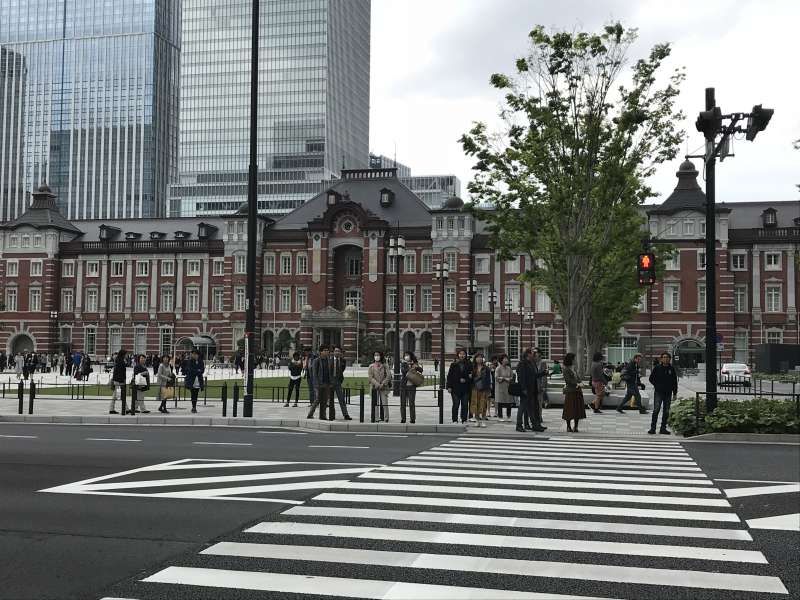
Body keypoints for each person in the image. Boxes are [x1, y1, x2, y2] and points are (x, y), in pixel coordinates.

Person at [648, 352, 678, 435]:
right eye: (664, 357)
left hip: (668, 393)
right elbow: (651, 378)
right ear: (661, 359)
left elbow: (674, 382)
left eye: (667, 357)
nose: (666, 359)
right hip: (658, 392)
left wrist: (675, 393)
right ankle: (653, 428)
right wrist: (657, 385)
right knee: (656, 410)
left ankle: (663, 428)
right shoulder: (657, 368)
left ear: (670, 359)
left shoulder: (671, 369)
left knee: (666, 411)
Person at [561, 352, 586, 432]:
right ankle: (568, 426)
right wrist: (577, 383)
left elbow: (577, 377)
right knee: (569, 409)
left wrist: (580, 382)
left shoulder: (573, 368)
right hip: (571, 391)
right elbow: (568, 380)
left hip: (577, 391)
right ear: (570, 359)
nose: (575, 360)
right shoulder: (565, 369)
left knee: (577, 410)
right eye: (574, 359)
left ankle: (576, 426)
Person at [308, 345, 333, 420]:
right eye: (324, 350)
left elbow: (330, 372)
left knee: (324, 400)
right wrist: (316, 384)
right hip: (319, 383)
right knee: (318, 399)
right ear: (320, 352)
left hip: (326, 383)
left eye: (327, 350)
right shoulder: (316, 361)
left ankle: (322, 416)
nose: (326, 352)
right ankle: (310, 414)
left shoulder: (329, 360)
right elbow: (314, 374)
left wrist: (330, 382)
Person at [446, 349, 472, 424]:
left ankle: (464, 419)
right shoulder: (453, 364)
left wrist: (466, 379)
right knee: (455, 404)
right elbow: (449, 376)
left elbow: (471, 376)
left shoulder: (469, 364)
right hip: (455, 388)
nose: (462, 355)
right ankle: (454, 419)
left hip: (465, 388)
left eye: (463, 354)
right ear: (458, 355)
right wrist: (449, 386)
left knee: (465, 405)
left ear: (466, 355)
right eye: (460, 354)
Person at [330, 345, 352, 420]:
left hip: (338, 382)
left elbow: (341, 371)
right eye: (335, 351)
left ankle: (345, 414)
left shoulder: (343, 361)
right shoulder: (329, 360)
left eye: (338, 351)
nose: (337, 352)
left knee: (341, 399)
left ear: (340, 352)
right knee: (331, 400)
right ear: (333, 352)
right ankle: (332, 415)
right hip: (330, 382)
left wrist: (339, 380)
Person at [400, 351, 423, 424]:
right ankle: (403, 418)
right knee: (403, 403)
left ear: (410, 356)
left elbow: (421, 370)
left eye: (407, 355)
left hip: (412, 385)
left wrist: (416, 366)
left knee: (411, 403)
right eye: (405, 355)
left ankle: (412, 419)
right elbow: (403, 371)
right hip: (403, 386)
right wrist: (411, 367)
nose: (406, 356)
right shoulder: (403, 364)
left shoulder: (415, 363)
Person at [368, 351, 391, 421]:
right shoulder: (371, 366)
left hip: (384, 387)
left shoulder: (385, 365)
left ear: (381, 356)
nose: (376, 356)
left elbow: (388, 376)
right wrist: (377, 384)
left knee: (385, 403)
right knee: (375, 403)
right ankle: (376, 417)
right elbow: (370, 377)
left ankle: (386, 417)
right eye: (375, 355)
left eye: (378, 355)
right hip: (375, 387)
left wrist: (383, 384)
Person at [470, 353, 491, 427]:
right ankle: (477, 420)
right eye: (477, 357)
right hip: (475, 388)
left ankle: (483, 420)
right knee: (475, 404)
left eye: (481, 357)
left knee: (483, 404)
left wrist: (488, 389)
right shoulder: (473, 368)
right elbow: (470, 379)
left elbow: (488, 379)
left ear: (483, 359)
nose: (479, 359)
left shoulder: (486, 368)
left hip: (484, 388)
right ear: (475, 359)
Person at [494, 354, 514, 422]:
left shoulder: (509, 368)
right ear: (501, 360)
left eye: (507, 359)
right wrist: (504, 378)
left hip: (508, 387)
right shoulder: (498, 368)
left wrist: (510, 379)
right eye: (504, 359)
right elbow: (496, 377)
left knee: (509, 402)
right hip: (500, 387)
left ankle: (508, 416)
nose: (506, 360)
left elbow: (512, 376)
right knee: (500, 402)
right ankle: (500, 416)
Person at [184, 349, 205, 413]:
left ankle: (194, 406)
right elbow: (190, 370)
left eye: (195, 354)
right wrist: (197, 371)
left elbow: (202, 370)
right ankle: (193, 407)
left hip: (198, 380)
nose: (194, 355)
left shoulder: (201, 361)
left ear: (198, 355)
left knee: (196, 394)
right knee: (193, 394)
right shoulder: (190, 361)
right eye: (193, 354)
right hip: (192, 380)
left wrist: (198, 371)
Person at [109, 350, 128, 414]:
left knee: (118, 395)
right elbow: (121, 373)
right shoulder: (121, 361)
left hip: (117, 380)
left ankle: (125, 408)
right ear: (123, 354)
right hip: (119, 381)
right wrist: (123, 381)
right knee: (119, 395)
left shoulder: (118, 361)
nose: (126, 355)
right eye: (126, 354)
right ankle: (112, 409)